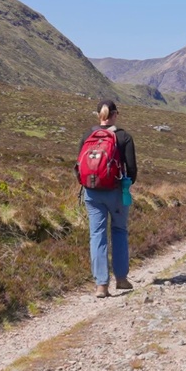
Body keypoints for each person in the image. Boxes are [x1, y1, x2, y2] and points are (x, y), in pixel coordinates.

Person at [76, 100, 137, 297]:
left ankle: (101, 285)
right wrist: (124, 186)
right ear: (115, 114)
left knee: (97, 235)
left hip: (91, 192)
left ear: (98, 115)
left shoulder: (87, 135)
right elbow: (132, 170)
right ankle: (121, 279)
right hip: (116, 192)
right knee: (119, 231)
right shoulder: (123, 137)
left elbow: (79, 166)